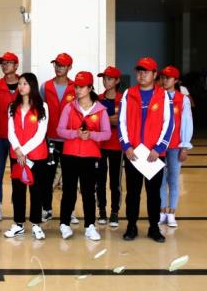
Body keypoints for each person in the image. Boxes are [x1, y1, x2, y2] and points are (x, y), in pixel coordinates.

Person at [118, 57, 174, 243]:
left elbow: (169, 123)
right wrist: (126, 146)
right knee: (132, 193)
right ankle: (131, 226)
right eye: (139, 71)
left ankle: (154, 228)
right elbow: (122, 122)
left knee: (153, 194)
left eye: (146, 72)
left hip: (154, 155)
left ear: (154, 74)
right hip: (133, 154)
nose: (142, 75)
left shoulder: (163, 95)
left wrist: (159, 148)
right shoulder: (128, 94)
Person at [56, 71, 111, 241]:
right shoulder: (69, 107)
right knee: (69, 191)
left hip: (90, 156)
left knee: (88, 192)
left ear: (90, 88)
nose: (78, 90)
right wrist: (75, 133)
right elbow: (60, 130)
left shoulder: (100, 110)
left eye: (81, 87)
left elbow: (107, 134)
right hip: (70, 155)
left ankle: (90, 226)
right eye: (76, 87)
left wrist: (91, 135)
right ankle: (64, 224)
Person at [3, 73, 49, 240]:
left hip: (36, 155)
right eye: (20, 84)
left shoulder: (42, 106)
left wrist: (24, 151)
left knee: (36, 190)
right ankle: (19, 224)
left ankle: (36, 224)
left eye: (25, 84)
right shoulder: (12, 106)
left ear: (32, 86)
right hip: (17, 155)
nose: (21, 87)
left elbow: (40, 133)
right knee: (18, 190)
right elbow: (11, 131)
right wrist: (18, 150)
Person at [40, 52, 78, 224]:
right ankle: (46, 208)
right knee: (47, 176)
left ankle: (70, 211)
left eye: (62, 65)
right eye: (56, 64)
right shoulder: (46, 86)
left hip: (70, 139)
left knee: (70, 177)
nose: (58, 68)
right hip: (50, 139)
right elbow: (40, 111)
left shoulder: (76, 87)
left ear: (69, 67)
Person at [159, 65, 194, 228]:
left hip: (175, 145)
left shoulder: (182, 99)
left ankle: (171, 213)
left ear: (176, 80)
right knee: (160, 180)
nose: (165, 80)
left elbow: (186, 122)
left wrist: (184, 146)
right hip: (159, 146)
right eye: (163, 77)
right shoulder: (157, 96)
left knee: (173, 179)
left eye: (168, 78)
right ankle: (162, 211)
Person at [0, 52, 20, 222]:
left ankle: (18, 205)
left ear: (16, 65)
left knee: (18, 173)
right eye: (3, 63)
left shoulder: (23, 84)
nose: (5, 65)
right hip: (0, 136)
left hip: (18, 138)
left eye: (8, 62)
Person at [96, 66, 124, 228]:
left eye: (110, 79)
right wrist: (110, 119)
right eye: (104, 78)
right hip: (100, 144)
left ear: (117, 80)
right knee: (100, 180)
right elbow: (95, 120)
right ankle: (101, 210)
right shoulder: (98, 99)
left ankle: (114, 212)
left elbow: (122, 120)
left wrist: (105, 118)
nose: (106, 81)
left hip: (117, 145)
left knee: (115, 182)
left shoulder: (123, 98)